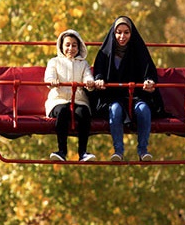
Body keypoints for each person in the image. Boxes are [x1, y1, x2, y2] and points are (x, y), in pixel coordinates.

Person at [92, 16, 159, 161]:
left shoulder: (139, 51)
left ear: (131, 33)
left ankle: (142, 150)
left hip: (135, 95)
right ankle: (118, 151)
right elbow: (98, 71)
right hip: (112, 96)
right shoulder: (105, 53)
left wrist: (149, 82)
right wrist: (99, 80)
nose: (122, 37)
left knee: (144, 110)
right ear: (113, 33)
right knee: (115, 110)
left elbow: (149, 71)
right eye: (119, 32)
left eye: (126, 33)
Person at [44, 29, 97, 162]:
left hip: (78, 100)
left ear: (79, 47)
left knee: (84, 113)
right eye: (67, 45)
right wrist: (53, 82)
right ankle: (62, 151)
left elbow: (87, 78)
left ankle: (83, 152)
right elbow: (49, 78)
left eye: (74, 45)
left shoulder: (83, 64)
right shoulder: (54, 62)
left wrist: (89, 83)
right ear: (61, 46)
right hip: (59, 99)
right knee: (62, 112)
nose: (70, 48)